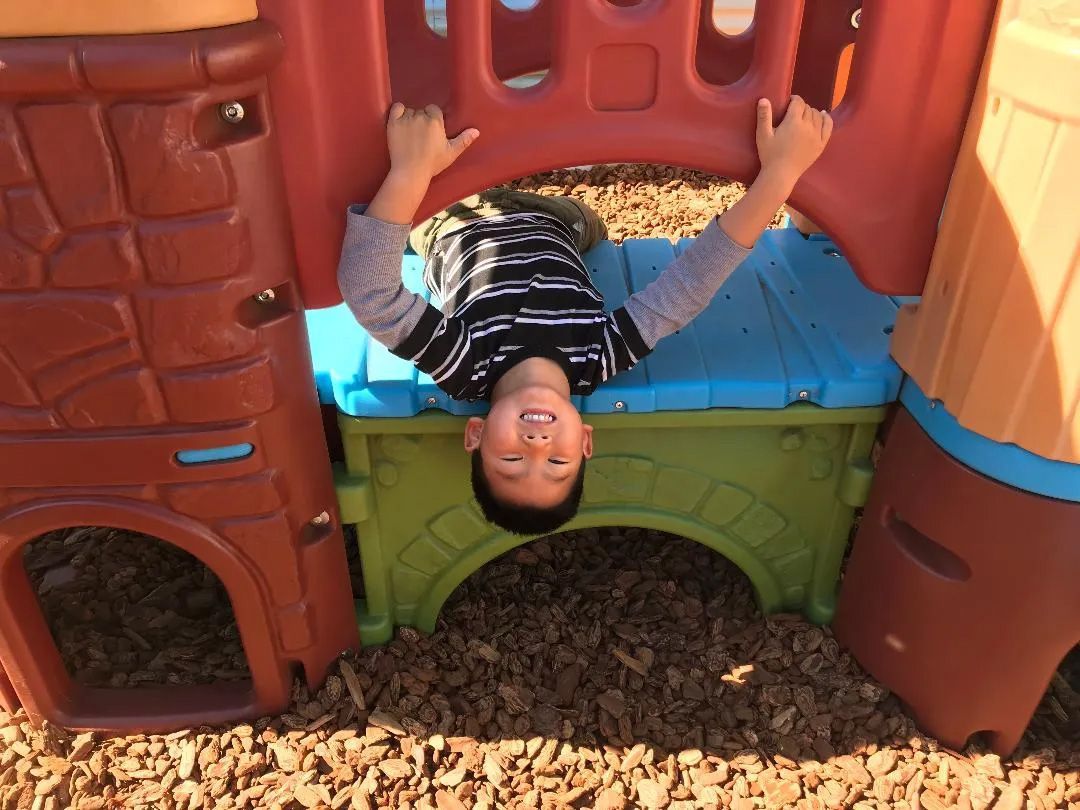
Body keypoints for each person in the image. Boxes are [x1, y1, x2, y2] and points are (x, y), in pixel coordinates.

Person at [338, 96, 832, 535]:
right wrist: (780, 175)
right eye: (557, 461)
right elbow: (689, 286)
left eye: (511, 458)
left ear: (476, 434)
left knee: (419, 149)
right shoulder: (598, 356)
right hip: (557, 222)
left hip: (453, 218)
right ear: (585, 441)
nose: (537, 443)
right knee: (586, 216)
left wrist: (410, 173)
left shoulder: (466, 364)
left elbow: (372, 295)